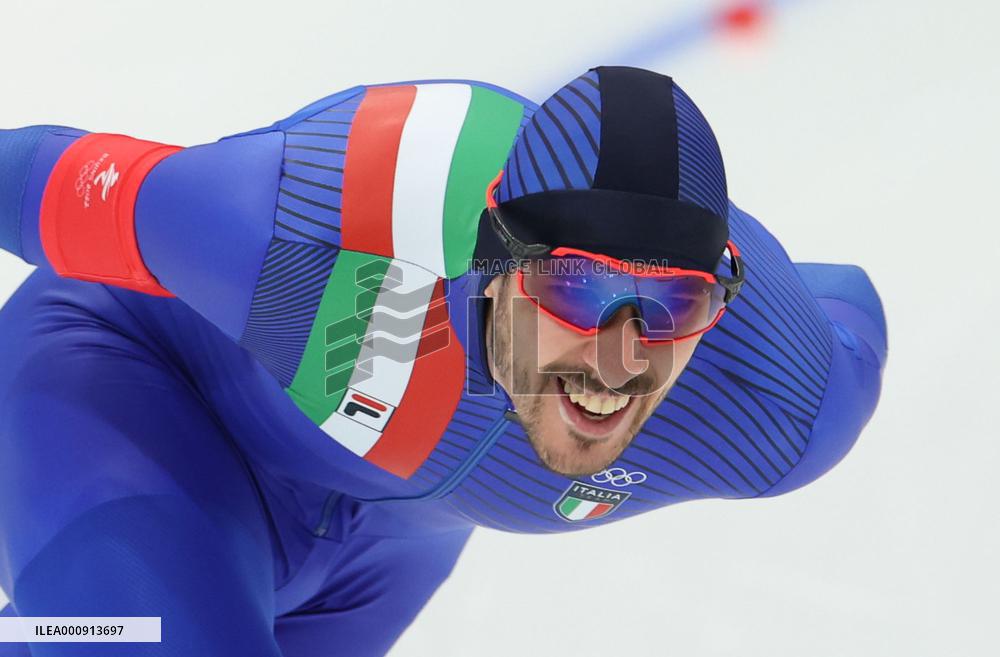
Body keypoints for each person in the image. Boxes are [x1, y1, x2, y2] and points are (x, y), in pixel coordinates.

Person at [0, 66, 887, 656]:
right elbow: (33, 178)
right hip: (136, 393)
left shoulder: (779, 406)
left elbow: (846, 294)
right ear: (496, 253)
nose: (620, 361)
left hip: (378, 557)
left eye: (674, 304)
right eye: (576, 288)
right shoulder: (317, 230)